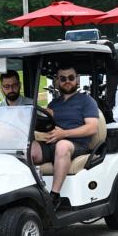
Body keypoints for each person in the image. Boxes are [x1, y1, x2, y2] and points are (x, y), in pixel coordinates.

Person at [30, 65, 99, 203]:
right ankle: (30, 192)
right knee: (28, 149)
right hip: (54, 142)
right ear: (57, 81)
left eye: (71, 78)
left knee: (62, 146)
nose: (67, 81)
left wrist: (64, 134)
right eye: (63, 78)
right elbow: (47, 126)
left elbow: (92, 128)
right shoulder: (54, 104)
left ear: (77, 80)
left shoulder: (87, 101)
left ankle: (54, 196)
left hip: (77, 144)